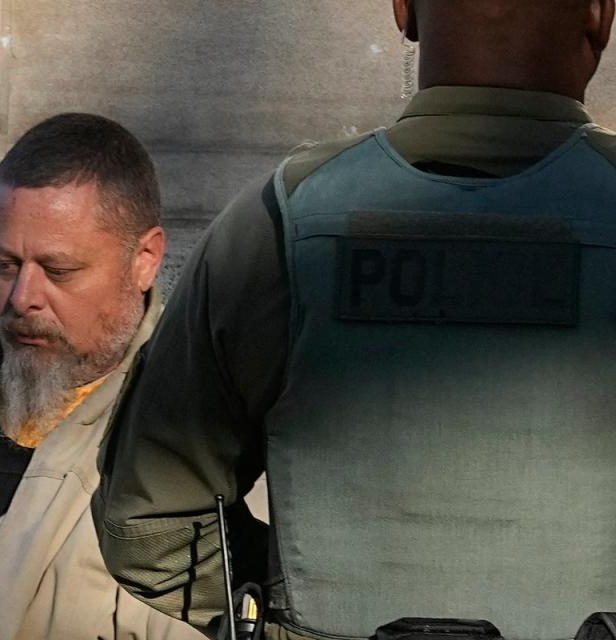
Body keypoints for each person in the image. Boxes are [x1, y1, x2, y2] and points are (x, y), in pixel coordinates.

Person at [94, 1, 616, 639]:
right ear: (600, 14)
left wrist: (284, 613)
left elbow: (150, 527)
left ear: (404, 10)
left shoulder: (279, 222)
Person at [0, 113, 205, 640]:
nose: (22, 299)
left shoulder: (207, 435)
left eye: (58, 271)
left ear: (145, 259)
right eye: (4, 264)